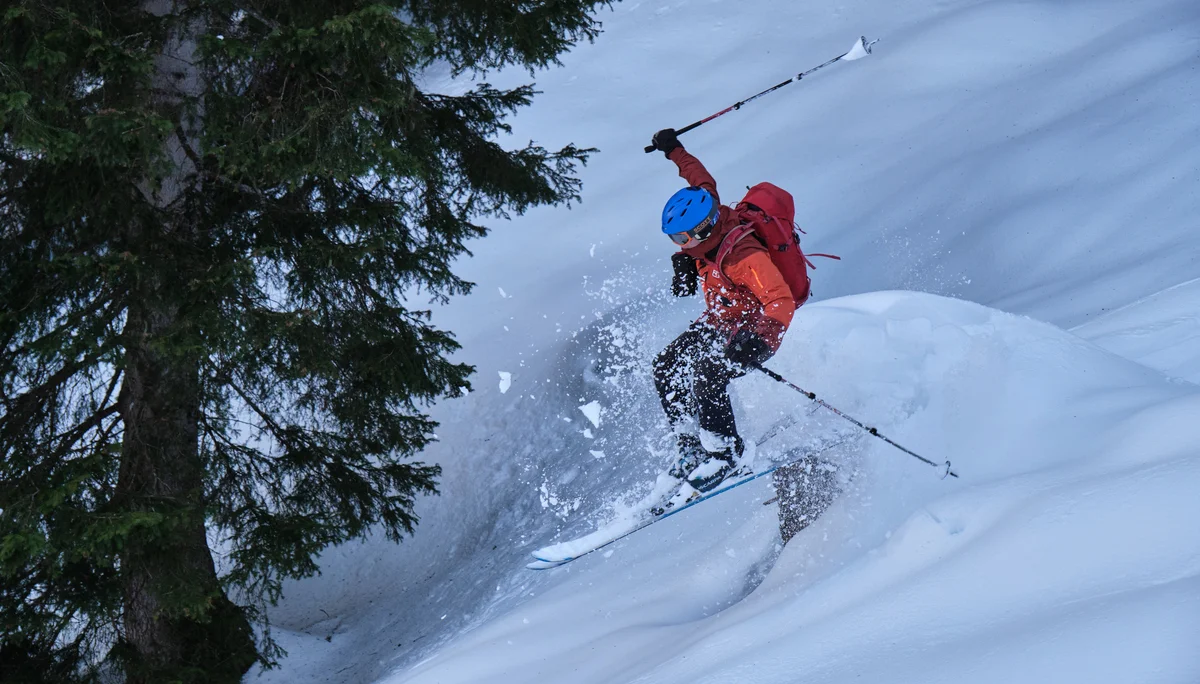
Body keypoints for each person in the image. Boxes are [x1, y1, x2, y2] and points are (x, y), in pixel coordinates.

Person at [650, 128, 797, 492]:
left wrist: (759, 341)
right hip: (723, 320)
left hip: (752, 332)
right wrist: (674, 149)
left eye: (682, 239)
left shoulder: (745, 257)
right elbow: (699, 176)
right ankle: (691, 446)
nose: (678, 245)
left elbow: (780, 301)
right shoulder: (708, 205)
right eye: (674, 239)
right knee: (666, 365)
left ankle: (727, 451)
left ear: (703, 230)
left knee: (707, 373)